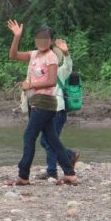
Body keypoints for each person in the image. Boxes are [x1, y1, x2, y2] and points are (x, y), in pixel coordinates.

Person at [6, 19, 78, 186]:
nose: (42, 41)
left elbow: (52, 81)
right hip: (35, 101)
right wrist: (17, 36)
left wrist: (30, 85)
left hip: (45, 102)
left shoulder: (51, 57)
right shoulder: (33, 54)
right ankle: (70, 174)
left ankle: (23, 176)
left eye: (46, 38)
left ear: (51, 41)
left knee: (29, 136)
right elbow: (13, 55)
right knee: (52, 139)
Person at [35, 37, 75, 180]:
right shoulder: (40, 73)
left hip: (57, 111)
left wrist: (66, 53)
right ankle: (69, 155)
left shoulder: (59, 71)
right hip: (46, 110)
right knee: (46, 141)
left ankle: (52, 170)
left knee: (48, 141)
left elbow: (68, 66)